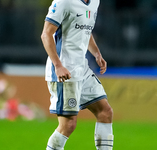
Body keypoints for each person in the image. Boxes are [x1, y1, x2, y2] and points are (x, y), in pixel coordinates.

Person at [41, 0, 114, 149]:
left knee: (105, 112)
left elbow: (85, 31)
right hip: (64, 71)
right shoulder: (64, 2)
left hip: (82, 68)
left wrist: (97, 54)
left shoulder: (94, 2)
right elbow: (46, 34)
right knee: (68, 125)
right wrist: (58, 65)